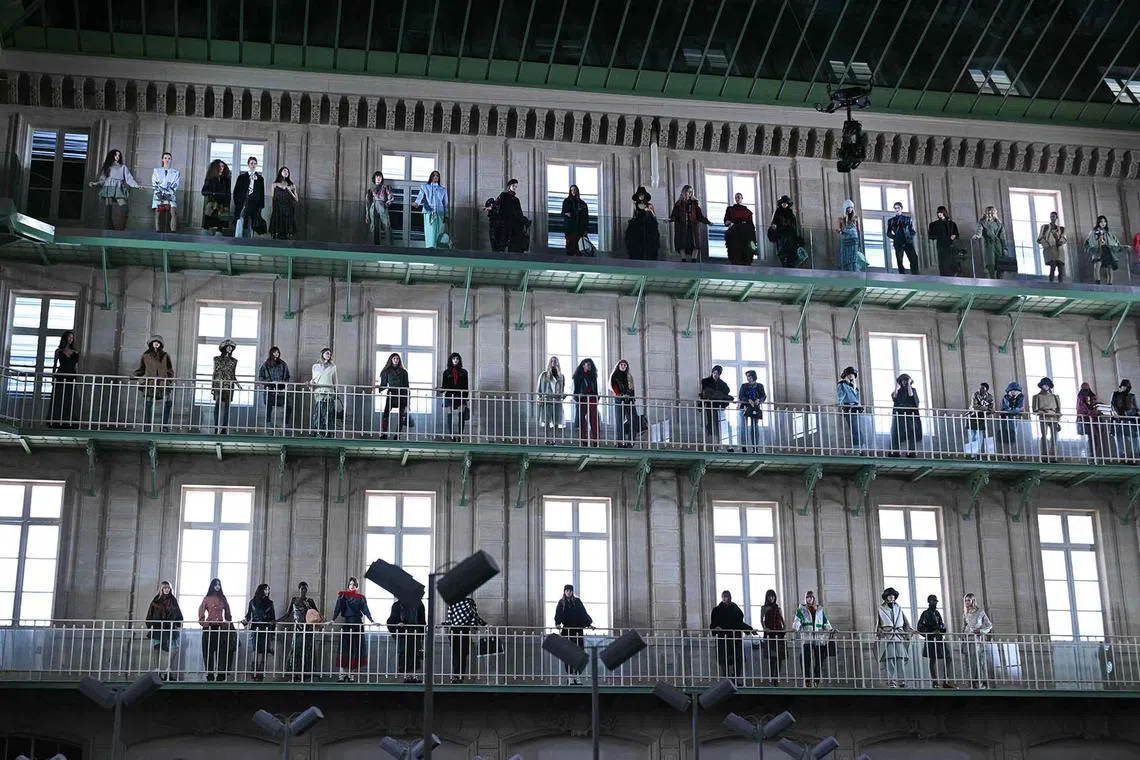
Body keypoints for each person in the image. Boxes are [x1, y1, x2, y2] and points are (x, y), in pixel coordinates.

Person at [331, 577, 374, 683]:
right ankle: (342, 675)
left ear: (357, 586)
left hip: (357, 625)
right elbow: (338, 608)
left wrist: (372, 620)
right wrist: (333, 619)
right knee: (344, 649)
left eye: (354, 584)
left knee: (355, 649)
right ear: (348, 585)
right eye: (350, 584)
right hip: (347, 624)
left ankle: (351, 675)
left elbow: (365, 610)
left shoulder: (361, 598)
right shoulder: (343, 596)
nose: (352, 586)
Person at [278, 581, 320, 682]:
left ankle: (306, 675)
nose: (304, 591)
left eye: (305, 589)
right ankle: (295, 674)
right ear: (299, 589)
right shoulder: (294, 600)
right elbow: (287, 614)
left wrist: (321, 624)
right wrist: (276, 621)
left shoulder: (310, 601)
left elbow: (317, 614)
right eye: (302, 589)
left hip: (309, 630)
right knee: (296, 651)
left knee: (308, 652)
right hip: (298, 630)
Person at [89, 148, 140, 230]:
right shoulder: (108, 166)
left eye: (119, 155)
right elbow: (103, 179)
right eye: (116, 155)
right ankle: (108, 227)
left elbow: (129, 178)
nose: (117, 157)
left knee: (124, 208)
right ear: (112, 155)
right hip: (109, 186)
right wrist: (95, 183)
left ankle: (120, 228)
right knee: (108, 208)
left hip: (119, 187)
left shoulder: (123, 167)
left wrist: (136, 185)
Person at [554, 584, 594, 684]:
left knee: (579, 653)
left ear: (572, 592)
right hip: (567, 631)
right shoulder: (561, 603)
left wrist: (589, 624)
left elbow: (583, 613)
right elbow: (558, 614)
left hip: (578, 630)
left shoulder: (577, 602)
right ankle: (570, 676)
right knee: (568, 653)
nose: (568, 592)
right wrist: (558, 623)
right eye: (567, 591)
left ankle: (577, 676)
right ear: (564, 592)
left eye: (570, 591)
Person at [710, 590, 753, 682]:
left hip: (734, 638)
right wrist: (715, 628)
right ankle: (727, 679)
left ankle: (735, 678)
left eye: (726, 596)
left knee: (737, 659)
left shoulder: (735, 609)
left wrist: (749, 629)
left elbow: (739, 623)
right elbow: (713, 624)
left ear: (729, 597)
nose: (725, 598)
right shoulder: (717, 610)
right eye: (723, 596)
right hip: (724, 638)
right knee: (724, 658)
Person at [793, 590, 833, 688]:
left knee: (819, 660)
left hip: (819, 639)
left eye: (811, 597)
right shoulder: (801, 610)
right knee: (806, 661)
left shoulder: (819, 610)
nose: (809, 598)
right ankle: (807, 681)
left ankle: (816, 680)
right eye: (807, 597)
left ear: (813, 598)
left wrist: (831, 629)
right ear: (805, 598)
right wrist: (795, 627)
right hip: (807, 638)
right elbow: (797, 621)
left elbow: (825, 622)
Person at [145, 580, 184, 681]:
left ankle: (168, 669)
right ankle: (157, 669)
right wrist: (150, 624)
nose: (167, 590)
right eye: (165, 588)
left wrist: (178, 623)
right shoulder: (156, 600)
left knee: (174, 648)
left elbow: (178, 613)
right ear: (161, 589)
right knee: (156, 648)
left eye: (168, 588)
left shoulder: (173, 600)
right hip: (158, 627)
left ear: (170, 589)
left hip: (170, 627)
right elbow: (150, 613)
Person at [198, 578, 235, 682]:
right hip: (209, 628)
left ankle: (221, 674)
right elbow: (201, 611)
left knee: (222, 651)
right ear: (212, 586)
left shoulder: (223, 598)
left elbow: (228, 611)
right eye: (215, 584)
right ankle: (209, 674)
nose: (217, 586)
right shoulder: (207, 598)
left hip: (220, 627)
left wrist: (228, 621)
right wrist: (203, 623)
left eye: (219, 584)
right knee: (208, 652)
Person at [134, 335, 174, 431]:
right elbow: (142, 369)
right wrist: (134, 375)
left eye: (158, 342)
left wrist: (168, 379)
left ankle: (164, 425)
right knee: (148, 404)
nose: (156, 344)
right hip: (150, 383)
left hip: (163, 383)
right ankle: (147, 426)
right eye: (154, 342)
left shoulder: (165, 355)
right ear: (151, 343)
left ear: (160, 344)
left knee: (168, 402)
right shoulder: (146, 355)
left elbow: (170, 369)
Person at [444, 596, 486, 683]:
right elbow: (475, 616)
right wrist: (481, 625)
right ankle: (459, 676)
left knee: (458, 654)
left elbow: (450, 619)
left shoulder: (453, 602)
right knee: (461, 654)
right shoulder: (469, 602)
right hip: (463, 630)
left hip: (456, 630)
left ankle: (457, 676)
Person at [877, 587, 912, 688]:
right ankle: (891, 680)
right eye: (889, 595)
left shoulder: (898, 607)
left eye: (893, 595)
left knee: (900, 659)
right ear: (886, 597)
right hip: (888, 636)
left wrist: (909, 630)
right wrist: (880, 631)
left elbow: (905, 621)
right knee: (890, 659)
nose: (892, 597)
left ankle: (902, 680)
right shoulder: (881, 608)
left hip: (898, 635)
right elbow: (878, 623)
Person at [387, 597, 426, 683]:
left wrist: (422, 633)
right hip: (404, 634)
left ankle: (413, 676)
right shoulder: (397, 605)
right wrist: (398, 624)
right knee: (405, 654)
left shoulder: (419, 604)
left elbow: (422, 620)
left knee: (415, 655)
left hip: (415, 633)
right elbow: (391, 621)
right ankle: (407, 676)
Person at [242, 583, 276, 682]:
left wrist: (272, 632)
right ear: (261, 590)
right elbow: (249, 615)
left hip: (266, 629)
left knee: (264, 651)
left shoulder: (270, 603)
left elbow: (273, 618)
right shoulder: (252, 602)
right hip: (256, 628)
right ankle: (254, 672)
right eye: (266, 589)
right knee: (256, 650)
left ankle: (261, 673)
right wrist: (245, 621)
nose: (267, 591)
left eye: (268, 590)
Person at [917, 594, 952, 688]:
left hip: (939, 639)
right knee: (933, 659)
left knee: (948, 657)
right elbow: (920, 627)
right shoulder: (925, 613)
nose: (935, 603)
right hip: (931, 639)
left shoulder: (937, 613)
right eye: (933, 601)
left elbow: (942, 625)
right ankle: (934, 681)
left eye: (936, 601)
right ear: (929, 602)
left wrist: (941, 628)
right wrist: (931, 631)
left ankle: (945, 680)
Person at [668, 185, 710, 263]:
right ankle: (683, 259)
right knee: (682, 243)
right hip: (682, 226)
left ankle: (694, 260)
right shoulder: (679, 203)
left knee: (695, 243)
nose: (690, 193)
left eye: (691, 192)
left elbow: (699, 215)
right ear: (684, 192)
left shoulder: (695, 203)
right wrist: (670, 220)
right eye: (688, 191)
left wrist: (707, 221)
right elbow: (674, 215)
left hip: (693, 226)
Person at [49, 331, 79, 427]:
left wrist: (77, 377)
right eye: (69, 337)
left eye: (72, 337)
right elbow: (54, 365)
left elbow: (76, 367)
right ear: (65, 338)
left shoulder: (75, 352)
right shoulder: (59, 351)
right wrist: (53, 377)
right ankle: (56, 419)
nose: (70, 339)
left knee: (69, 397)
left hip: (71, 375)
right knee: (59, 397)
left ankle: (69, 420)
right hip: (61, 375)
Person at [962, 592, 993, 688]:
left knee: (978, 660)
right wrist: (963, 635)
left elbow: (989, 625)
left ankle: (980, 681)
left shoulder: (980, 612)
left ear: (973, 600)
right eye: (965, 600)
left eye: (968, 600)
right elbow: (963, 627)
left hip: (977, 639)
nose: (967, 602)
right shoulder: (965, 613)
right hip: (968, 639)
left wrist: (981, 631)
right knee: (969, 661)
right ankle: (971, 682)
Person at [257, 347, 291, 432]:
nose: (277, 354)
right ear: (271, 353)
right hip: (270, 389)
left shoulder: (283, 364)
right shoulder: (266, 364)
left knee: (288, 406)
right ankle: (268, 423)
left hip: (280, 390)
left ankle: (286, 424)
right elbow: (261, 377)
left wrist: (282, 384)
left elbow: (287, 377)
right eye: (275, 352)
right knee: (269, 406)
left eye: (278, 352)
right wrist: (270, 382)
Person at [414, 170, 449, 249]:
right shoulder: (425, 187)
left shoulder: (442, 189)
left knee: (439, 231)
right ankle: (430, 248)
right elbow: (420, 196)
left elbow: (445, 203)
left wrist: (446, 215)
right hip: (428, 212)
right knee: (430, 231)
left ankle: (438, 249)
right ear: (431, 177)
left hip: (440, 213)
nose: (436, 177)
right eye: (434, 175)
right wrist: (417, 203)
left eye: (437, 176)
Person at [699, 365, 733, 448]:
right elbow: (704, 393)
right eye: (714, 373)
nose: (715, 375)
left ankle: (719, 441)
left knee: (719, 423)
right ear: (712, 372)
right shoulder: (706, 381)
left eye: (717, 373)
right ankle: (711, 437)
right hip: (710, 405)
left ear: (719, 374)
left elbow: (726, 391)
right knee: (710, 421)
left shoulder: (722, 384)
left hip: (718, 406)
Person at [378, 352, 410, 439]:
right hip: (392, 394)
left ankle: (397, 435)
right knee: (385, 415)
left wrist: (408, 400)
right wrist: (379, 388)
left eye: (397, 359)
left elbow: (407, 386)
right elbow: (383, 384)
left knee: (401, 416)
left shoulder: (404, 372)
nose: (396, 360)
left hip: (402, 395)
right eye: (394, 358)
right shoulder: (386, 371)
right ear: (391, 360)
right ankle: (384, 433)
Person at [232, 156, 266, 239]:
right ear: (248, 164)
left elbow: (262, 192)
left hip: (254, 203)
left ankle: (249, 239)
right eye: (251, 163)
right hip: (243, 202)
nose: (253, 165)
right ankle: (238, 238)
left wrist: (261, 205)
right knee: (241, 219)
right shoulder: (242, 177)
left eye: (255, 163)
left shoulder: (260, 178)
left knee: (252, 222)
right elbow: (236, 191)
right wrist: (238, 202)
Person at [211, 339, 240, 435]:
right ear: (224, 348)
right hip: (218, 384)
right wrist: (213, 387)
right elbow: (215, 373)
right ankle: (215, 427)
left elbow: (233, 374)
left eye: (231, 347)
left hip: (229, 385)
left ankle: (224, 428)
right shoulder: (217, 359)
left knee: (227, 407)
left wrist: (238, 384)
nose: (230, 349)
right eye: (228, 347)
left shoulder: (234, 361)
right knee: (217, 406)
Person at [309, 348, 339, 437]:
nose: (328, 355)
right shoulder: (315, 366)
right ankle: (318, 432)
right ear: (322, 354)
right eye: (327, 353)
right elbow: (314, 379)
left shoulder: (333, 367)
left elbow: (335, 380)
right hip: (319, 392)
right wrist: (311, 385)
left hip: (329, 392)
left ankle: (329, 433)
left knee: (329, 413)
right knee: (319, 413)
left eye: (330, 354)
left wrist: (336, 392)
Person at [890, 373, 921, 457]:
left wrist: (909, 384)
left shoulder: (912, 390)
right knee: (896, 433)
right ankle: (895, 451)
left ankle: (911, 452)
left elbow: (912, 397)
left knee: (912, 432)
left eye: (905, 380)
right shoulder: (899, 391)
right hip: (899, 415)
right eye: (902, 381)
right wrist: (896, 385)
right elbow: (894, 397)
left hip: (909, 415)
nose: (904, 382)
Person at [973, 206, 1009, 278]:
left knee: (1000, 265)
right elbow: (979, 231)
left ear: (994, 214)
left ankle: (1000, 281)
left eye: (991, 213)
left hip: (999, 246)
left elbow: (1003, 237)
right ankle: (992, 280)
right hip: (989, 245)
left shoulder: (999, 223)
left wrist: (1005, 248)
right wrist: (977, 235)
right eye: (988, 213)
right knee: (990, 264)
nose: (989, 215)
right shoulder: (982, 222)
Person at [760, 589, 786, 687]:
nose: (771, 598)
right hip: (769, 634)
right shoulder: (764, 608)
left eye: (773, 596)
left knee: (779, 657)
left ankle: (776, 678)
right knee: (772, 657)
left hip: (778, 634)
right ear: (767, 597)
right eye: (769, 596)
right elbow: (761, 620)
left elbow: (783, 621)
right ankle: (772, 678)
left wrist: (784, 630)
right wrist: (765, 628)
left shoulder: (778, 608)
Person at [625, 186, 660, 260]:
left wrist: (650, 210)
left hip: (648, 227)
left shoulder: (650, 205)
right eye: (640, 195)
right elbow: (632, 216)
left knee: (649, 243)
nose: (641, 196)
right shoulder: (634, 205)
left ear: (645, 196)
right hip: (637, 227)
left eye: (642, 195)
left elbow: (654, 216)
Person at [495, 178, 529, 253]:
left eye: (516, 186)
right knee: (503, 238)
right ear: (509, 186)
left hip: (513, 222)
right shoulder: (503, 195)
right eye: (513, 185)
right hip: (505, 221)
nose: (515, 187)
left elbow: (519, 212)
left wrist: (522, 220)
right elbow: (497, 204)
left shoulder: (516, 199)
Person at [441, 352, 469, 441]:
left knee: (462, 414)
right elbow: (444, 385)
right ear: (451, 360)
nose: (455, 360)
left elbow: (466, 386)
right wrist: (440, 389)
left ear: (459, 360)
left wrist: (466, 398)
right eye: (454, 359)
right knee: (449, 414)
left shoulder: (464, 372)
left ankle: (460, 434)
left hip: (460, 395)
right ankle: (451, 434)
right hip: (449, 395)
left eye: (457, 359)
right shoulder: (446, 372)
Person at [1086, 215, 1122, 285]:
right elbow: (1090, 241)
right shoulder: (1094, 232)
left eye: (1105, 222)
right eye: (1101, 221)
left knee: (1109, 266)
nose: (1103, 223)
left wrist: (1117, 246)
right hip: (1098, 250)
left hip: (1107, 250)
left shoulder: (1108, 233)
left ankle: (1110, 283)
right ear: (1098, 223)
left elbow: (1115, 241)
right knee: (1097, 266)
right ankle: (1097, 283)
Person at [769, 195, 803, 267]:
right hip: (781, 235)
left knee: (792, 251)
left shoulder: (791, 214)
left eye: (786, 203)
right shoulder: (778, 213)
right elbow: (773, 224)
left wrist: (796, 236)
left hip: (790, 235)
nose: (784, 205)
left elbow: (794, 226)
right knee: (782, 250)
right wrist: (774, 228)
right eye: (783, 203)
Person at [723, 193, 757, 266]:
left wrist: (754, 244)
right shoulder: (730, 209)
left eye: (739, 197)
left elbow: (751, 224)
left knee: (747, 248)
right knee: (735, 249)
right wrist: (729, 223)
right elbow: (726, 221)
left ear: (742, 198)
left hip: (745, 231)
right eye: (736, 197)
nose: (738, 199)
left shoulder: (748, 212)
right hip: (735, 231)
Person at [738, 370, 767, 453]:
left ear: (754, 376)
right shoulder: (744, 386)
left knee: (755, 427)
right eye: (747, 376)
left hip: (755, 408)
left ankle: (755, 447)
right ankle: (744, 446)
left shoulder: (760, 386)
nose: (748, 378)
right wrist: (748, 400)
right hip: (745, 408)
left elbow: (763, 396)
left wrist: (759, 400)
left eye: (750, 376)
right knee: (743, 427)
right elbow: (741, 396)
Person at [537, 356, 565, 441]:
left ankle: (553, 439)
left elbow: (562, 389)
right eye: (552, 361)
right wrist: (540, 398)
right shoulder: (544, 375)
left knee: (556, 420)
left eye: (555, 361)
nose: (554, 362)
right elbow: (539, 389)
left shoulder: (561, 376)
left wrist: (562, 396)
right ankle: (546, 439)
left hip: (557, 401)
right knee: (546, 420)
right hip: (547, 400)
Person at [573, 359, 600, 446]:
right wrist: (577, 396)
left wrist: (596, 398)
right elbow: (575, 390)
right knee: (582, 420)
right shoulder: (577, 376)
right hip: (582, 398)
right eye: (587, 364)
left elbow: (595, 389)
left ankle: (595, 440)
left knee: (594, 419)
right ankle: (583, 440)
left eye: (590, 365)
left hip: (591, 398)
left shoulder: (593, 377)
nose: (589, 366)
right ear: (583, 365)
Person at [1032, 377, 1061, 461]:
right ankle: (1045, 455)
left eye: (1047, 385)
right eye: (1044, 385)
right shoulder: (1037, 396)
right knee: (1044, 436)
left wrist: (1058, 419)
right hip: (1043, 416)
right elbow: (1035, 410)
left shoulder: (1055, 396)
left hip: (1053, 417)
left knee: (1054, 436)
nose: (1045, 386)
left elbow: (1058, 410)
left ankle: (1054, 456)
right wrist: (1043, 412)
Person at [151, 151, 181, 232]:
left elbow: (176, 184)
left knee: (173, 212)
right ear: (162, 159)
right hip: (159, 193)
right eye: (165, 158)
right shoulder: (156, 170)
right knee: (157, 212)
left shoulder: (176, 172)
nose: (167, 160)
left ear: (171, 160)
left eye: (169, 158)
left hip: (170, 193)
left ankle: (173, 230)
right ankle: (157, 230)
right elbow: (154, 182)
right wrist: (158, 193)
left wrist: (169, 193)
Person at [887, 201, 919, 274]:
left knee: (914, 258)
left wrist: (910, 236)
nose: (897, 209)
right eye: (895, 208)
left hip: (907, 242)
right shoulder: (891, 221)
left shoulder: (908, 219)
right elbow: (888, 233)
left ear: (901, 208)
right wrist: (895, 237)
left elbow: (912, 230)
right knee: (899, 260)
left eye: (898, 208)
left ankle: (915, 274)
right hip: (898, 242)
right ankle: (902, 274)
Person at [928, 206, 961, 277]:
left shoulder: (952, 224)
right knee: (943, 264)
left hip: (951, 246)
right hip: (941, 246)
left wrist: (954, 236)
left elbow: (957, 234)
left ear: (944, 212)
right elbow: (931, 236)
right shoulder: (934, 224)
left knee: (952, 263)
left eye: (940, 212)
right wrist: (941, 237)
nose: (939, 214)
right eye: (938, 212)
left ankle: (952, 277)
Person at [201, 159, 232, 234]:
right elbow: (204, 191)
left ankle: (218, 233)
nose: (222, 168)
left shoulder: (226, 180)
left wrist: (227, 204)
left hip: (222, 204)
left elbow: (228, 193)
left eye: (223, 166)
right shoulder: (210, 179)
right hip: (212, 203)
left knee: (220, 224)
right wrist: (213, 193)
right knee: (208, 223)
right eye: (220, 166)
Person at [1110, 379, 1139, 461]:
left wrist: (1128, 414)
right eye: (1123, 386)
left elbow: (1135, 408)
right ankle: (1122, 455)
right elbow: (1112, 405)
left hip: (1129, 420)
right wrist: (1115, 413)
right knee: (1119, 437)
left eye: (1126, 386)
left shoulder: (1131, 396)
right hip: (1118, 420)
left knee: (1134, 437)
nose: (1125, 388)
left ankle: (1135, 454)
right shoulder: (1115, 394)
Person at [610, 359, 636, 447]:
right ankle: (620, 442)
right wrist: (621, 395)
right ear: (618, 366)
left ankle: (630, 442)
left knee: (633, 420)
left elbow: (632, 390)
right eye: (622, 365)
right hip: (619, 399)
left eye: (625, 365)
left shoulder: (629, 377)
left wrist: (631, 397)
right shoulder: (614, 375)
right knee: (619, 421)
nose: (623, 366)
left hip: (629, 400)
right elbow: (614, 388)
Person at [268, 166, 299, 240]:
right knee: (277, 229)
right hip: (278, 209)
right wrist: (274, 210)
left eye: (287, 171)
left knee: (288, 229)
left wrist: (290, 191)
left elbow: (296, 199)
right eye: (284, 171)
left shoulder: (292, 185)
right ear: (280, 172)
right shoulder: (274, 184)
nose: (286, 172)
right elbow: (272, 197)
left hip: (288, 209)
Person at [1076, 382, 1104, 461]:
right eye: (1084, 390)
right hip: (1087, 421)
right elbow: (1080, 409)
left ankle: (1096, 455)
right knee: (1091, 438)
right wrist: (1091, 413)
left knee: (1096, 438)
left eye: (1086, 389)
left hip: (1095, 421)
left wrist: (1100, 407)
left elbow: (1096, 405)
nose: (1085, 391)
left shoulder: (1093, 397)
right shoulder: (1080, 398)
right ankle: (1092, 455)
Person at [837, 366, 863, 450]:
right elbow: (841, 396)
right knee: (855, 429)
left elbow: (857, 398)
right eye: (850, 374)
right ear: (847, 375)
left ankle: (860, 447)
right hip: (849, 407)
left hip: (855, 408)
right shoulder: (842, 384)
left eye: (853, 374)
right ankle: (857, 448)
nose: (852, 376)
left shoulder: (854, 386)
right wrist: (841, 405)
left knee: (858, 429)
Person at [966, 382, 995, 459]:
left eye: (982, 388)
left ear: (986, 390)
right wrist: (986, 408)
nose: (980, 389)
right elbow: (975, 406)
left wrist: (988, 410)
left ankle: (977, 453)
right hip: (972, 416)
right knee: (972, 436)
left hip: (981, 417)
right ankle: (973, 455)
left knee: (980, 436)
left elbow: (991, 408)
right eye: (979, 388)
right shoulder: (975, 394)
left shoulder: (990, 397)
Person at [1037, 211, 1067, 283]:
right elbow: (1040, 238)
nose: (1052, 218)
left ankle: (1061, 283)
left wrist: (1060, 242)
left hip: (1059, 250)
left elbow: (1064, 238)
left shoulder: (1062, 229)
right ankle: (1051, 281)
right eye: (1051, 216)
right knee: (1052, 265)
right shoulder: (1045, 227)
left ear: (1056, 217)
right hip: (1050, 249)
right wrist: (1047, 246)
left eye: (1053, 216)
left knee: (1060, 268)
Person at [366, 171, 394, 245]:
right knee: (374, 226)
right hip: (373, 207)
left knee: (387, 225)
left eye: (380, 177)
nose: (378, 178)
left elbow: (391, 198)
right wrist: (367, 214)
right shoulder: (370, 189)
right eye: (377, 177)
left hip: (382, 206)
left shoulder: (386, 187)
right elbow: (368, 202)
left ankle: (389, 245)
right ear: (374, 178)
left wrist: (386, 204)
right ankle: (375, 245)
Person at [561, 184, 590, 256]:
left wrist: (585, 230)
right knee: (570, 247)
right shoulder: (567, 201)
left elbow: (585, 217)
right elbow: (564, 213)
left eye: (574, 190)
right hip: (570, 228)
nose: (573, 191)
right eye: (571, 190)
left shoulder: (582, 203)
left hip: (579, 228)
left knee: (578, 248)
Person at [998, 382, 1026, 456]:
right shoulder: (1006, 397)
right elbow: (1006, 408)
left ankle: (1013, 454)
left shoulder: (1021, 397)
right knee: (1005, 437)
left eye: (1015, 390)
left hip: (1015, 419)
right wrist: (1017, 410)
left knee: (1014, 436)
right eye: (1012, 390)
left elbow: (1021, 408)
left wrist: (1012, 410)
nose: (1014, 391)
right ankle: (1007, 455)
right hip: (1005, 419)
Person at [836, 200, 864, 272]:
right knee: (844, 257)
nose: (850, 209)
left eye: (851, 208)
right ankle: (845, 273)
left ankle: (854, 272)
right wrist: (839, 231)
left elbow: (859, 230)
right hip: (845, 239)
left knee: (853, 258)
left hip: (854, 240)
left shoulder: (856, 218)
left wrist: (860, 243)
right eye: (848, 208)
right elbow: (838, 229)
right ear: (845, 209)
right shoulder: (841, 219)